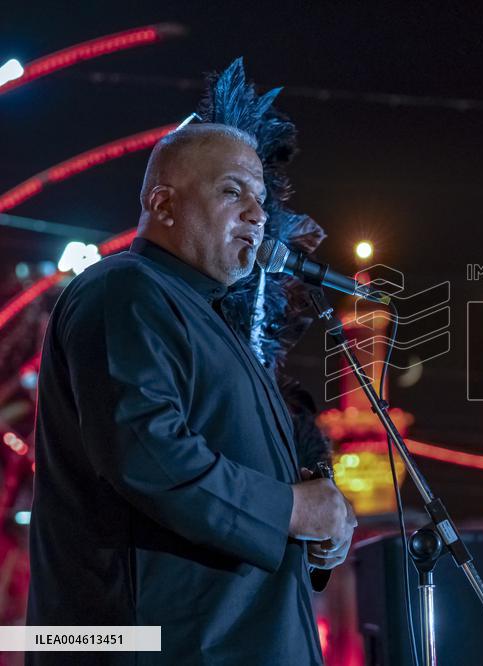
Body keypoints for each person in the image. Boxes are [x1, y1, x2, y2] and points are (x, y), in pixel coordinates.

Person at [27, 123, 355, 665]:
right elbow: (147, 452)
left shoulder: (208, 323)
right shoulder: (124, 289)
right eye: (233, 191)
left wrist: (323, 529)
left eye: (261, 199)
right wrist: (291, 511)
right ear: (163, 202)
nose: (258, 213)